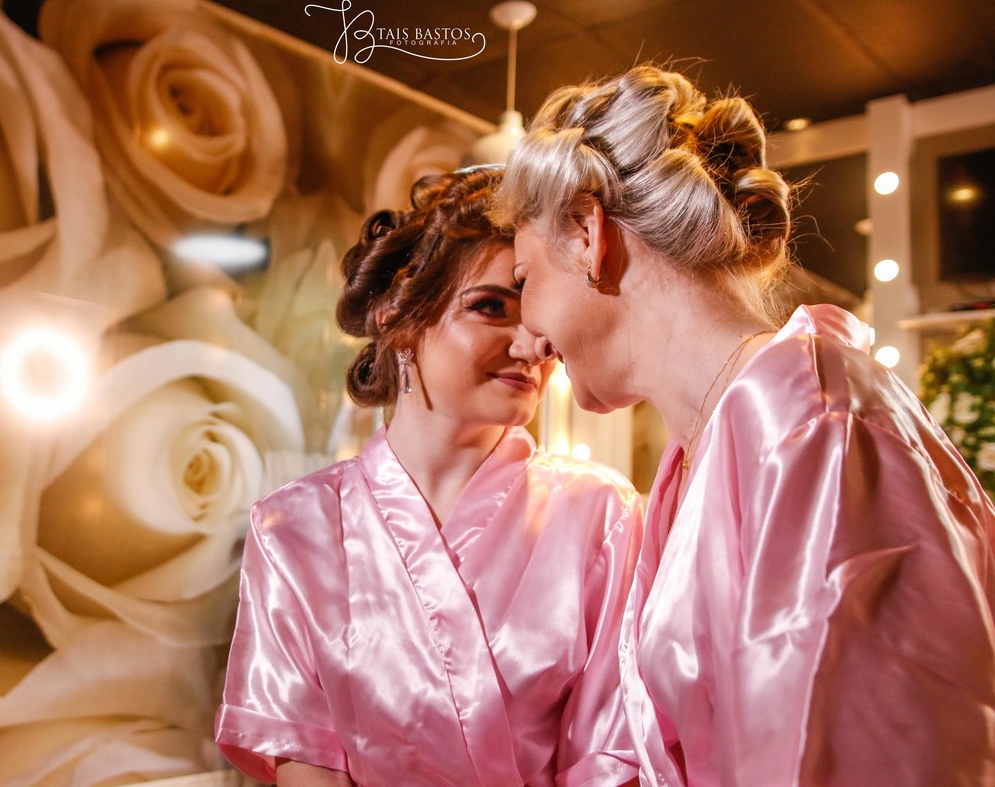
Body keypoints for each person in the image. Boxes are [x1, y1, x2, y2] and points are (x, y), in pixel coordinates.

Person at [492, 64, 995, 786]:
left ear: (585, 233)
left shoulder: (814, 426)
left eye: (523, 281)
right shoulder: (709, 450)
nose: (529, 337)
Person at [214, 167, 644, 787]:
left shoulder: (602, 515)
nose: (531, 347)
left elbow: (612, 756)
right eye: (491, 308)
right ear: (400, 317)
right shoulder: (293, 528)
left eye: (537, 317)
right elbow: (303, 755)